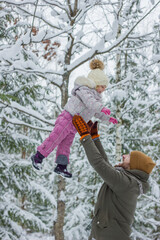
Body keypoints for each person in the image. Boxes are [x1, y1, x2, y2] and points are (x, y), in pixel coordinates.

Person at [72, 115, 156, 240]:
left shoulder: (127, 184)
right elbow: (106, 165)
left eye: (128, 156)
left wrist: (85, 136)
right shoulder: (128, 181)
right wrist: (95, 139)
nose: (123, 156)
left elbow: (100, 165)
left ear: (134, 165)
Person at [31, 59, 118, 178]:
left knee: (66, 145)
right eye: (101, 86)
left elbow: (96, 111)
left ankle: (61, 166)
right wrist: (102, 108)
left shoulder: (97, 99)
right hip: (68, 118)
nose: (103, 89)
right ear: (95, 83)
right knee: (55, 138)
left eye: (105, 87)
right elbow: (90, 103)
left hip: (75, 124)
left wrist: (108, 118)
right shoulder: (84, 90)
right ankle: (38, 157)